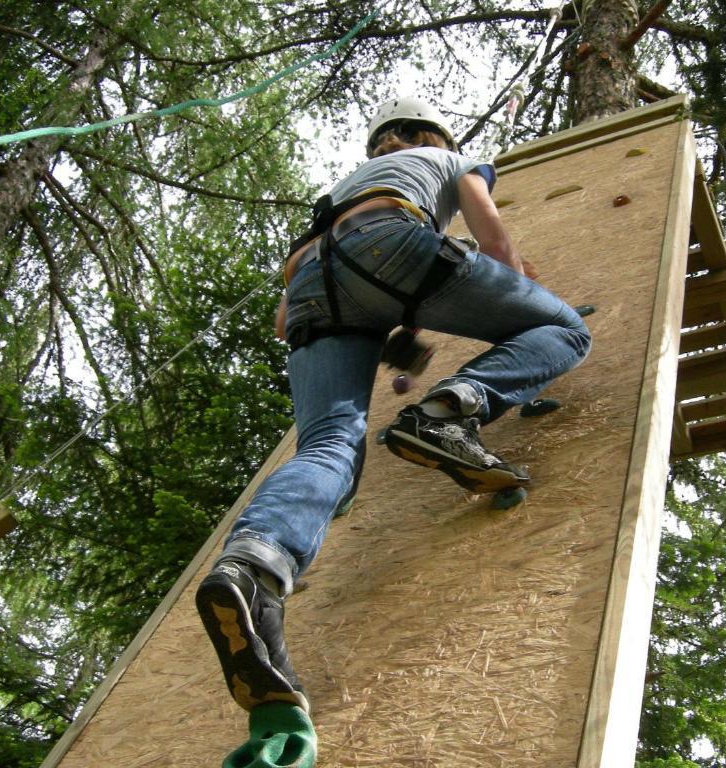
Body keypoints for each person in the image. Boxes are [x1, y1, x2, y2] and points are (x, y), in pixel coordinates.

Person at [195, 97, 591, 715]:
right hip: (390, 243)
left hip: (307, 286)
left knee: (328, 445)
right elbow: (491, 238)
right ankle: (449, 412)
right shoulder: (450, 156)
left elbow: (284, 322)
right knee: (565, 330)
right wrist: (520, 286)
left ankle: (255, 565)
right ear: (429, 133)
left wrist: (393, 324)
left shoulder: (336, 194)